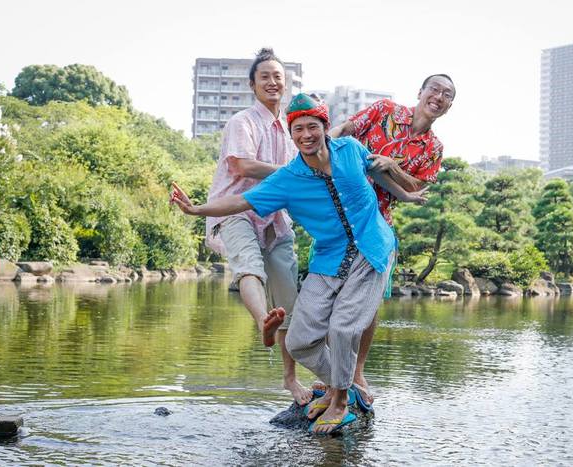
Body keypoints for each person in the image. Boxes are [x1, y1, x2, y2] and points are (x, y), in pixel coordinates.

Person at [171, 93, 427, 434]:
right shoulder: (288, 178)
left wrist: (405, 194)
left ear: (325, 127)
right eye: (298, 130)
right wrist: (197, 210)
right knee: (299, 340)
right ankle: (347, 387)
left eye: (312, 126)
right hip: (330, 257)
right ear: (292, 136)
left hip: (372, 248)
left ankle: (340, 403)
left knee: (343, 328)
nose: (306, 134)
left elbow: (375, 170)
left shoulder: (350, 148)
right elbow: (240, 200)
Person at [327, 74, 456, 405]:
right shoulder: (384, 110)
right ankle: (329, 370)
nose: (439, 97)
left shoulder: (434, 149)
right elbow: (346, 129)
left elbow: (415, 188)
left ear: (449, 105)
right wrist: (321, 146)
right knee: (329, 293)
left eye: (447, 95)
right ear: (421, 92)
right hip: (339, 211)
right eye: (435, 89)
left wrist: (391, 166)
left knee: (371, 303)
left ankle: (356, 371)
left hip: (379, 220)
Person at [204, 48, 310, 405]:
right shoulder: (243, 122)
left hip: (275, 221)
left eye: (278, 76)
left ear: (287, 83)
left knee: (290, 304)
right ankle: (264, 321)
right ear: (253, 85)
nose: (272, 81)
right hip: (233, 211)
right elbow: (243, 166)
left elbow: (310, 166)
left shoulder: (291, 129)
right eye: (264, 76)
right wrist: (291, 174)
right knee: (249, 267)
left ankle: (290, 380)